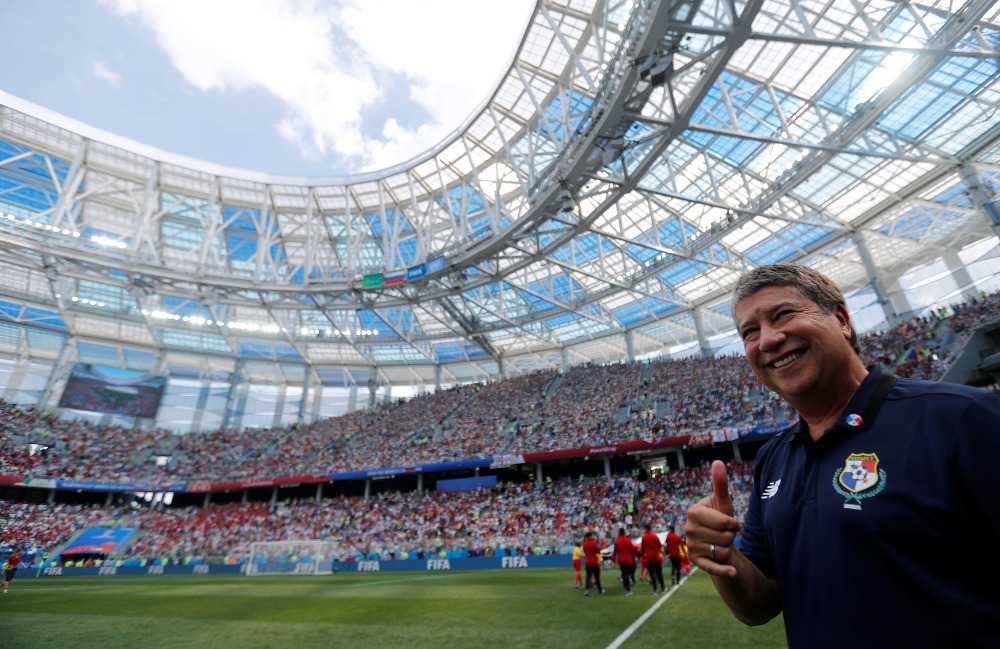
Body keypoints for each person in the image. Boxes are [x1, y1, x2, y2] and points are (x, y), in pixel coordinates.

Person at [685, 263, 1000, 648]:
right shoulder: (772, 459)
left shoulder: (962, 418)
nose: (767, 340)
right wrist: (723, 557)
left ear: (841, 319)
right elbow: (759, 606)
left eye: (783, 314)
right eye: (749, 332)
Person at [640, 524, 664, 594]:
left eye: (644, 529)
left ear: (646, 529)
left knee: (652, 574)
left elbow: (643, 548)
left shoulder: (644, 537)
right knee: (659, 574)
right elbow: (660, 546)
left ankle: (655, 590)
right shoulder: (655, 537)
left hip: (649, 559)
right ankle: (663, 588)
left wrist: (644, 557)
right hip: (657, 558)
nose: (643, 530)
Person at [612, 528, 636, 595]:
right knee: (627, 574)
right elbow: (633, 550)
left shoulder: (617, 541)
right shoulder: (628, 540)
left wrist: (614, 561)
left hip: (620, 560)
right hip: (628, 560)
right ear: (624, 533)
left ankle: (626, 589)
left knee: (624, 573)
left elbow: (615, 552)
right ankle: (628, 589)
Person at [582, 532, 604, 596]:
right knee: (597, 577)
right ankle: (600, 590)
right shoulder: (593, 543)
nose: (593, 537)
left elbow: (585, 552)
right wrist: (595, 541)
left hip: (587, 562)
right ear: (589, 537)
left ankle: (587, 590)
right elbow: (598, 551)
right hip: (594, 562)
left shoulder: (584, 544)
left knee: (588, 576)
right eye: (592, 536)